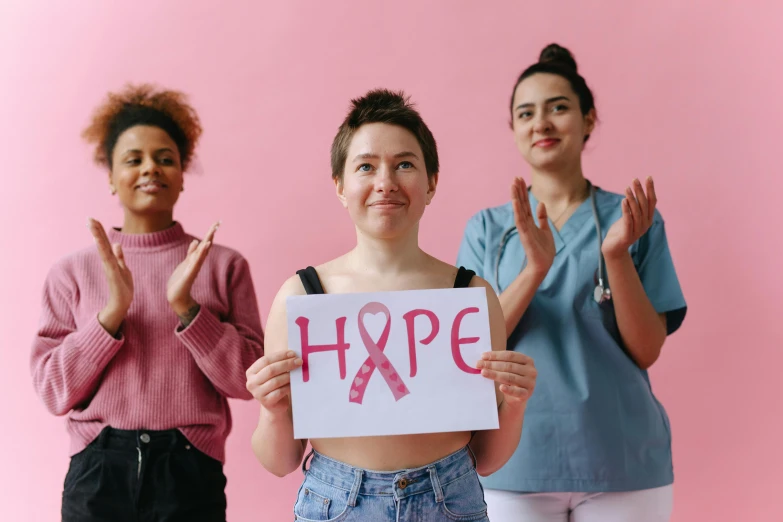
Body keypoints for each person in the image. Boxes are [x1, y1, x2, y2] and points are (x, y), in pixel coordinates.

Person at [245, 89, 538, 521]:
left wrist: (514, 405)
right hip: (334, 503)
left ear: (431, 182)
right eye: (366, 166)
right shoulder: (301, 297)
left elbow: (486, 457)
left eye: (404, 164)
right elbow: (280, 460)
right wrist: (271, 412)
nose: (385, 182)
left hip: (450, 500)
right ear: (341, 187)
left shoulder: (470, 296)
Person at [456, 44, 688, 522]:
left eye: (558, 108)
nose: (541, 123)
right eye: (526, 113)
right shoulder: (486, 230)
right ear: (514, 130)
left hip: (620, 460)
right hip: (511, 461)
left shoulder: (632, 220)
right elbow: (472, 345)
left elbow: (646, 349)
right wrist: (535, 269)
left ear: (588, 120)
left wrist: (616, 253)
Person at [30, 84, 265, 522]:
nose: (150, 169)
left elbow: (247, 381)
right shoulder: (72, 272)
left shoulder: (221, 265)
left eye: (165, 158)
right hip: (97, 468)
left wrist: (188, 310)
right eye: (133, 159)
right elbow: (53, 390)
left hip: (190, 467)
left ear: (181, 172)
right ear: (111, 177)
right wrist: (111, 314)